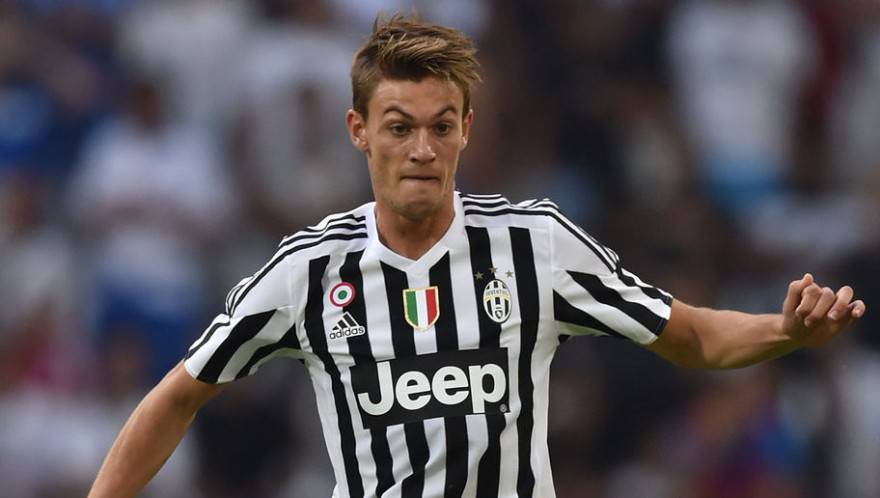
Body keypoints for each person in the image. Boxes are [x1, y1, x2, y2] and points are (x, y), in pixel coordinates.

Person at [88, 14, 866, 498]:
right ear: (359, 131)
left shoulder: (536, 245)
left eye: (441, 124)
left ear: (466, 127)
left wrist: (786, 330)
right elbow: (178, 394)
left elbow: (692, 334)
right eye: (399, 126)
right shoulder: (310, 271)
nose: (421, 148)